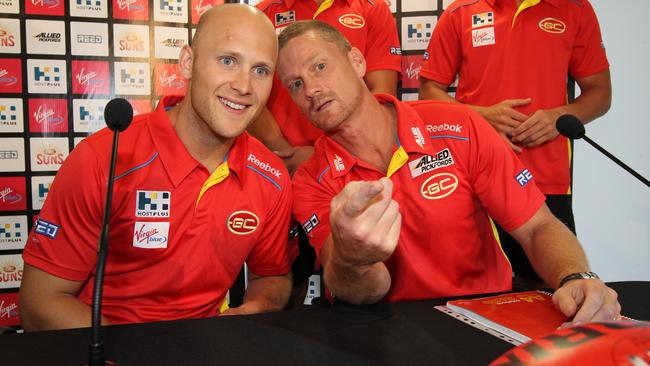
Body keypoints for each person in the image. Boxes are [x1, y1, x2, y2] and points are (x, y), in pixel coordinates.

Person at [277, 20, 621, 324]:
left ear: (356, 61)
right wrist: (355, 259)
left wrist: (575, 275)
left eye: (320, 66)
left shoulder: (459, 124)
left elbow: (536, 227)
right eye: (294, 84)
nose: (311, 89)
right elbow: (364, 292)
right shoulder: (310, 182)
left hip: (489, 315)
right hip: (386, 327)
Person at [19, 4, 294, 331]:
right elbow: (39, 303)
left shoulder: (271, 177)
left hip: (206, 347)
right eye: (228, 61)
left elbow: (273, 274)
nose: (244, 85)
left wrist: (259, 306)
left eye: (261, 70)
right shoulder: (102, 159)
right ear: (188, 63)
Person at [418, 0, 612, 287]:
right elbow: (429, 92)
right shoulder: (460, 12)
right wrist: (480, 117)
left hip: (546, 183)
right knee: (469, 298)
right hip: (474, 182)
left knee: (552, 298)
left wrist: (559, 116)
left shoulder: (574, 8)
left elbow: (600, 94)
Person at [251, 0, 402, 174]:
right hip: (289, 165)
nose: (310, 90)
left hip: (356, 159)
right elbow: (252, 98)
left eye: (320, 66)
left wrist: (325, 155)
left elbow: (382, 90)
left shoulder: (372, 7)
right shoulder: (262, 16)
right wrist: (288, 155)